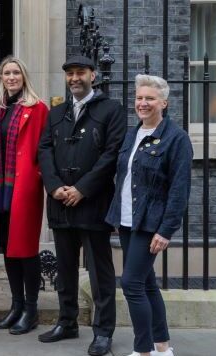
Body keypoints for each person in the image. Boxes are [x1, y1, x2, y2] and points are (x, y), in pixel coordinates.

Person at [38, 55, 126, 356]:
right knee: (64, 269)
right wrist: (54, 187)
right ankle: (67, 321)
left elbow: (112, 154)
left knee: (100, 273)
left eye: (80, 73)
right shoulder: (56, 113)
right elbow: (45, 150)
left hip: (93, 204)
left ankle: (103, 332)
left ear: (93, 75)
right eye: (70, 74)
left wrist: (82, 188)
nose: (75, 78)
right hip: (61, 202)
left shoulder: (112, 110)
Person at [105, 75, 192, 356]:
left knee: (131, 284)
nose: (143, 103)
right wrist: (118, 217)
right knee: (147, 283)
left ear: (163, 103)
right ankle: (162, 346)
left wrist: (166, 230)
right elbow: (124, 178)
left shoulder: (176, 139)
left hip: (151, 223)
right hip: (129, 221)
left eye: (150, 98)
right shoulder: (133, 134)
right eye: (139, 98)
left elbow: (179, 190)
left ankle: (143, 351)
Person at [0, 56, 49, 335]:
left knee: (26, 249)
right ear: (1, 78)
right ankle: (16, 305)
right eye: (7, 73)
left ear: (24, 76)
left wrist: (38, 176)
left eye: (16, 72)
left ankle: (31, 309)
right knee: (8, 247)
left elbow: (44, 148)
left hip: (24, 187)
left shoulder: (38, 108)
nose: (11, 77)